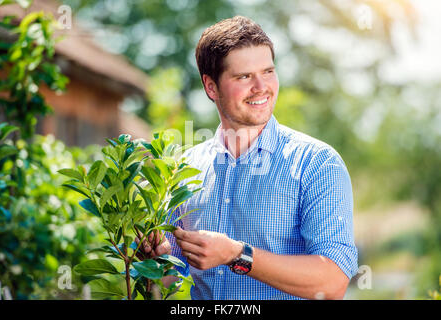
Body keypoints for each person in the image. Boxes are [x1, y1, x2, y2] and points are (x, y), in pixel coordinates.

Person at [145, 15, 358, 300]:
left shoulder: (317, 164)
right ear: (211, 87)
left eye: (268, 72)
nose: (261, 87)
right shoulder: (182, 170)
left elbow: (333, 281)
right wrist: (153, 259)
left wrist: (237, 255)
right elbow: (168, 280)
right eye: (244, 76)